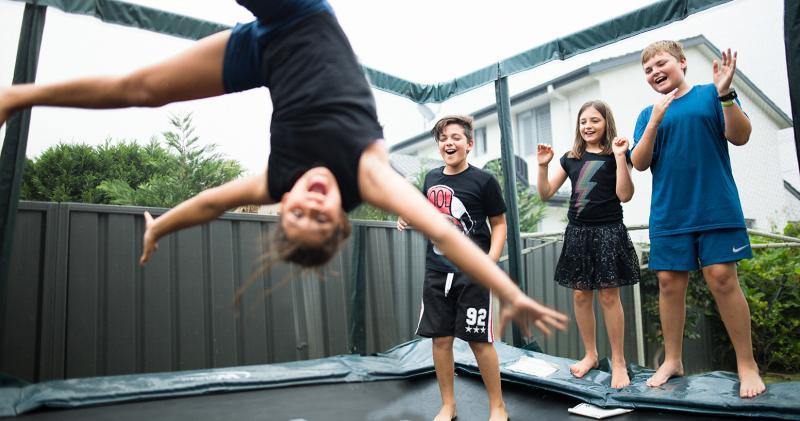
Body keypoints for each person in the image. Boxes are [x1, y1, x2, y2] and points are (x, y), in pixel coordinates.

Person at [0, 0, 567, 338]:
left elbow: (210, 202)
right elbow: (441, 230)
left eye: (295, 213)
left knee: (143, 89)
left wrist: (158, 227)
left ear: (284, 205)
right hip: (299, 12)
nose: (309, 203)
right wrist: (504, 290)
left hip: (262, 52)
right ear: (340, 220)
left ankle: (16, 96)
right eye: (319, 218)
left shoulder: (278, 178)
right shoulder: (365, 173)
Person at [630, 40, 765, 398]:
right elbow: (639, 162)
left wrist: (726, 95)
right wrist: (655, 120)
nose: (655, 72)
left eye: (661, 63)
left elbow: (741, 136)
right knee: (669, 284)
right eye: (648, 70)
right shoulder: (648, 113)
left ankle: (747, 362)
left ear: (682, 62)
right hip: (669, 213)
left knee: (722, 278)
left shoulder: (711, 95)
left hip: (715, 207)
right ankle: (672, 360)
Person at [398, 115, 508, 421]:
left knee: (478, 340)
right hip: (437, 271)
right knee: (440, 339)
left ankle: (498, 406)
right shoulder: (431, 178)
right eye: (444, 138)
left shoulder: (484, 181)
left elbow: (499, 225)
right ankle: (448, 405)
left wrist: (491, 259)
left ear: (469, 144)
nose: (449, 142)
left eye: (456, 137)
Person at [536, 101, 639, 389]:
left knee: (608, 297)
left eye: (595, 120)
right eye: (583, 121)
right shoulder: (571, 158)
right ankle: (591, 354)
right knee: (581, 296)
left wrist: (620, 158)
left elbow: (625, 194)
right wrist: (543, 167)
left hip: (608, 231)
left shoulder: (616, 154)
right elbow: (545, 194)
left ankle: (618, 361)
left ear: (607, 123)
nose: (588, 126)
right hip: (578, 233)